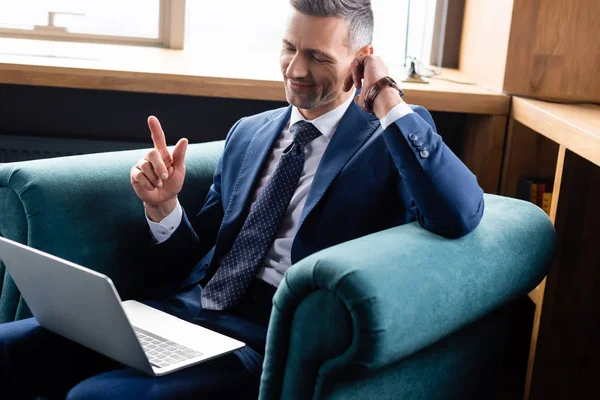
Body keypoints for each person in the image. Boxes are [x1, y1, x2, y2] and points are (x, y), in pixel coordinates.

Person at [0, 0, 484, 398]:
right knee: (9, 349)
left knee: (97, 396)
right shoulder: (249, 134)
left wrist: (386, 96)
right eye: (289, 48)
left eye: (317, 56)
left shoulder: (386, 140)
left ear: (362, 59)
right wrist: (164, 209)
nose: (295, 70)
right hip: (180, 315)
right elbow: (200, 259)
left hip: (261, 341)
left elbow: (458, 212)